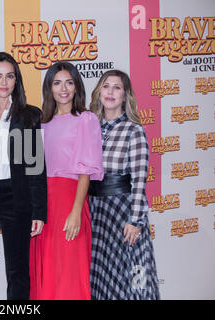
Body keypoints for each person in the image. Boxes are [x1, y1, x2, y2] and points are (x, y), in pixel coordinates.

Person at [0, 51, 47, 300]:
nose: (4, 82)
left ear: (17, 80)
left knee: (18, 270)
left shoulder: (28, 116)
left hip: (16, 195)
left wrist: (39, 211)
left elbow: (36, 168)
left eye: (10, 76)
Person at [29, 61, 103, 300]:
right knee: (45, 270)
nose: (64, 88)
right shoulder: (40, 123)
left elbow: (85, 171)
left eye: (69, 82)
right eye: (57, 82)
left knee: (70, 272)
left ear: (76, 87)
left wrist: (76, 211)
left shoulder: (85, 119)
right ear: (49, 88)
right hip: (42, 204)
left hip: (70, 201)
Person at [88, 69, 160, 300]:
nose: (110, 92)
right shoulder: (90, 128)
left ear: (125, 95)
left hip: (123, 211)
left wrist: (135, 220)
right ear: (99, 92)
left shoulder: (134, 130)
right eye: (106, 86)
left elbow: (140, 178)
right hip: (96, 212)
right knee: (101, 273)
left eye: (116, 87)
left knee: (130, 273)